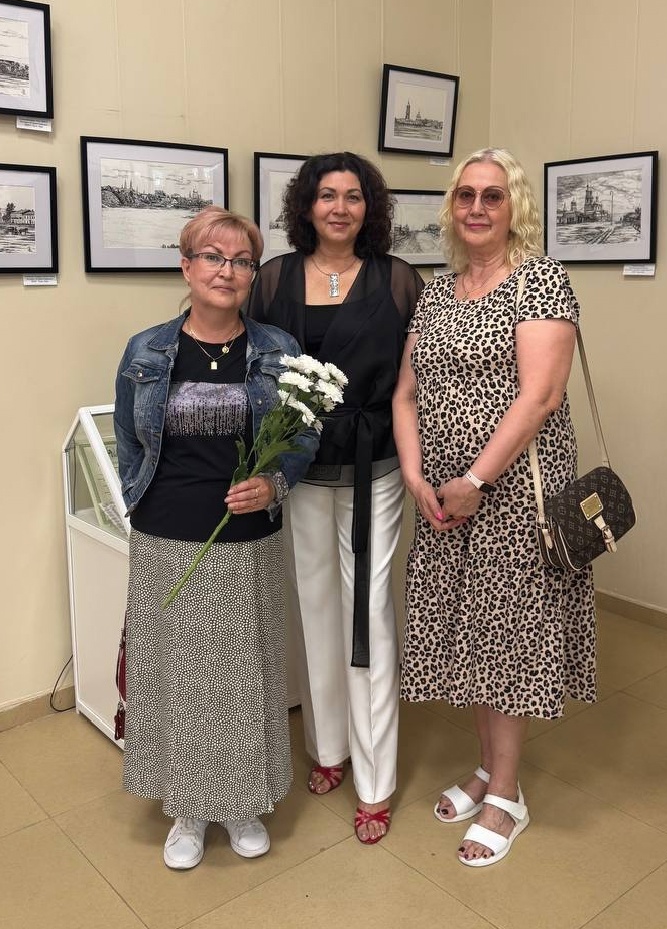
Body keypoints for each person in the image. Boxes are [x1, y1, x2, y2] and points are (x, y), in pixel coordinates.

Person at [392, 148, 596, 867]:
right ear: (452, 207)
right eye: (466, 195)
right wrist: (417, 477)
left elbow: (539, 396)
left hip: (511, 499)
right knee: (473, 634)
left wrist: (475, 479)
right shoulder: (438, 291)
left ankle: (507, 795)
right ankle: (487, 768)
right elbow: (405, 394)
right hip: (446, 498)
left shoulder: (539, 280)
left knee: (507, 639)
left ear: (516, 208)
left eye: (494, 195)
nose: (477, 207)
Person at [114, 206, 319, 870]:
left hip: (247, 538)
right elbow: (128, 438)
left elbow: (304, 435)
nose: (226, 271)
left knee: (244, 676)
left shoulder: (278, 349)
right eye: (212, 256)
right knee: (175, 677)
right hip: (166, 535)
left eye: (240, 260)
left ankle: (242, 802)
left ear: (252, 274)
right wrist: (139, 500)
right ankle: (188, 809)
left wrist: (274, 484)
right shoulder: (146, 350)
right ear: (187, 266)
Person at [247, 151, 424, 844]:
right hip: (298, 465)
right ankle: (328, 748)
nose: (340, 208)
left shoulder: (398, 279)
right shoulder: (273, 279)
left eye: (353, 196)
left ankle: (375, 781)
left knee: (368, 612)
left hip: (373, 463)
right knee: (315, 604)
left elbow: (414, 384)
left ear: (369, 207)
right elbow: (252, 371)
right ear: (307, 205)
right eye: (327, 195)